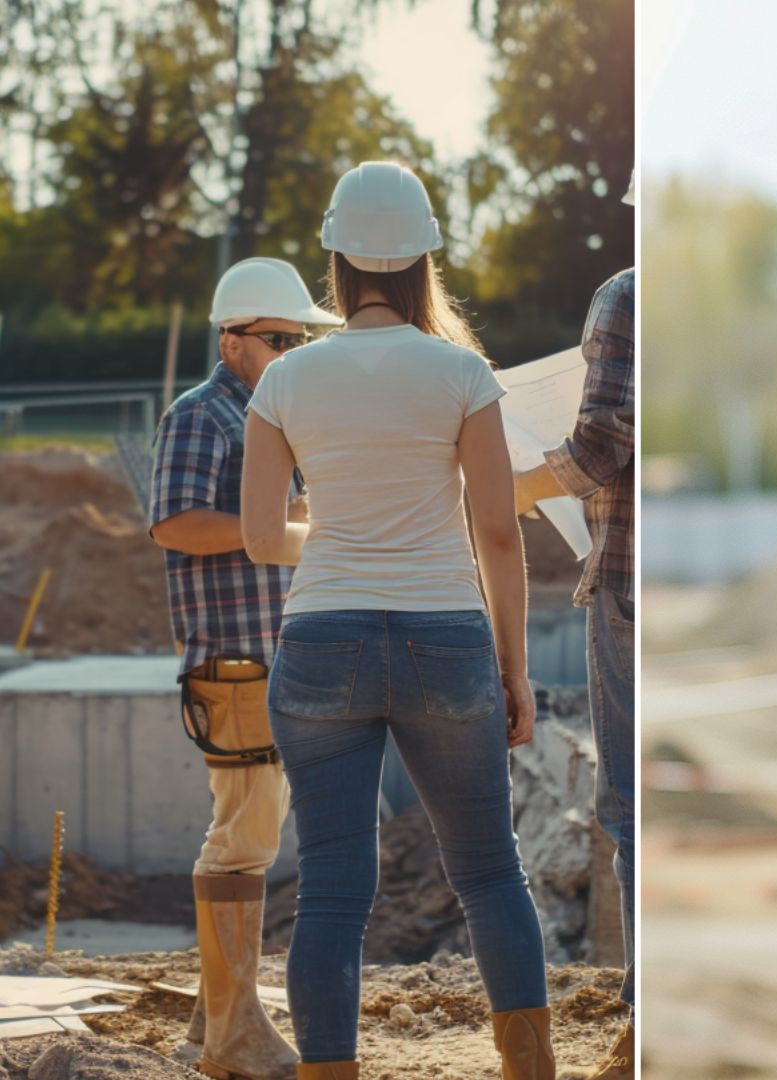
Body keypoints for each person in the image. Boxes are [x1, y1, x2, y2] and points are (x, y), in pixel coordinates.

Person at [239, 161, 551, 1080]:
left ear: (335, 260)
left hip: (320, 642)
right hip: (444, 640)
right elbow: (496, 531)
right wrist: (514, 668)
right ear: (423, 262)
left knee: (332, 888)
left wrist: (340, 539)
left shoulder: (285, 381)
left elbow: (261, 537)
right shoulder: (461, 373)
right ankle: (530, 1068)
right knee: (490, 872)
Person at [149, 256, 343, 1080]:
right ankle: (233, 1037)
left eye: (299, 340)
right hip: (233, 662)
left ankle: (212, 1020)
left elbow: (278, 529)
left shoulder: (272, 418)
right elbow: (174, 524)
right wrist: (266, 522)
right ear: (232, 341)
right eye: (278, 339)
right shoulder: (205, 417)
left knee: (245, 832)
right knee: (242, 840)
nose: (293, 353)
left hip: (268, 654)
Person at [513, 173, 635, 1080]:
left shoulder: (629, 296)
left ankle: (646, 997)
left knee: (629, 803)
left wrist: (506, 487)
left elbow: (597, 449)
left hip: (630, 584)